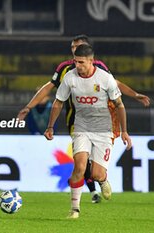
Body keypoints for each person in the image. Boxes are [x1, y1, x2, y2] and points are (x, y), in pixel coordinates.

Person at [17, 34, 150, 203]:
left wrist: (134, 94)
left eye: (77, 47)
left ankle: (98, 182)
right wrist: (29, 107)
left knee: (93, 168)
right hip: (76, 120)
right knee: (81, 162)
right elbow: (48, 88)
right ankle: (84, 199)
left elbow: (115, 84)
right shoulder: (66, 69)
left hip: (101, 121)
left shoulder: (100, 69)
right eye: (72, 48)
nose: (74, 51)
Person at [44, 44, 132, 219]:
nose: (78, 66)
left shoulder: (105, 78)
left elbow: (119, 104)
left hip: (103, 130)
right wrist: (50, 126)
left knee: (96, 174)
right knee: (79, 166)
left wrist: (124, 131)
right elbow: (58, 102)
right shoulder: (69, 78)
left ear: (92, 61)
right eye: (76, 62)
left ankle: (103, 180)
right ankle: (74, 209)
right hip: (81, 128)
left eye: (81, 62)